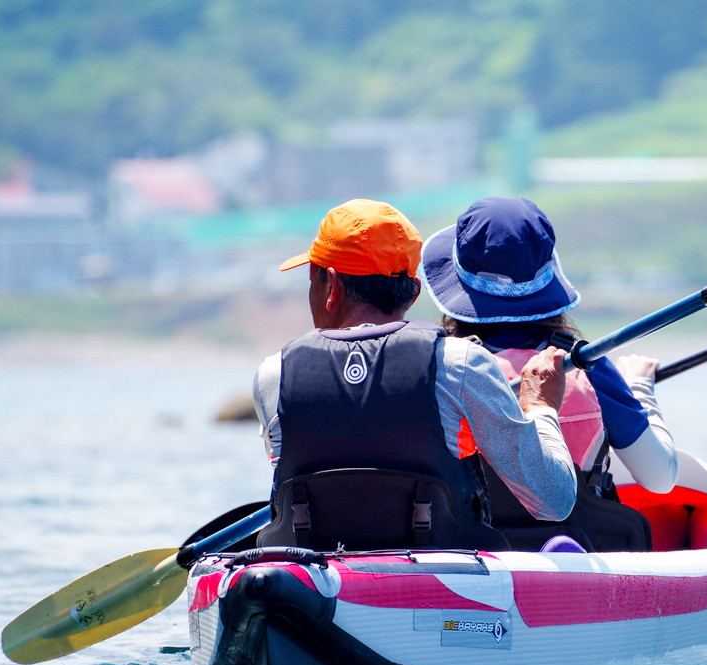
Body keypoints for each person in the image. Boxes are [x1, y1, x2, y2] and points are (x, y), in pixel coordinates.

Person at [252, 198, 577, 549]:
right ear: (413, 291)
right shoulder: (463, 363)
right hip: (446, 579)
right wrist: (540, 406)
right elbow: (553, 502)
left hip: (321, 580)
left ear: (331, 286)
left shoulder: (274, 375)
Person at [422, 196, 679, 498]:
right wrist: (639, 388)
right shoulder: (588, 366)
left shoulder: (436, 366)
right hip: (576, 539)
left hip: (473, 541)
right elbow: (660, 479)